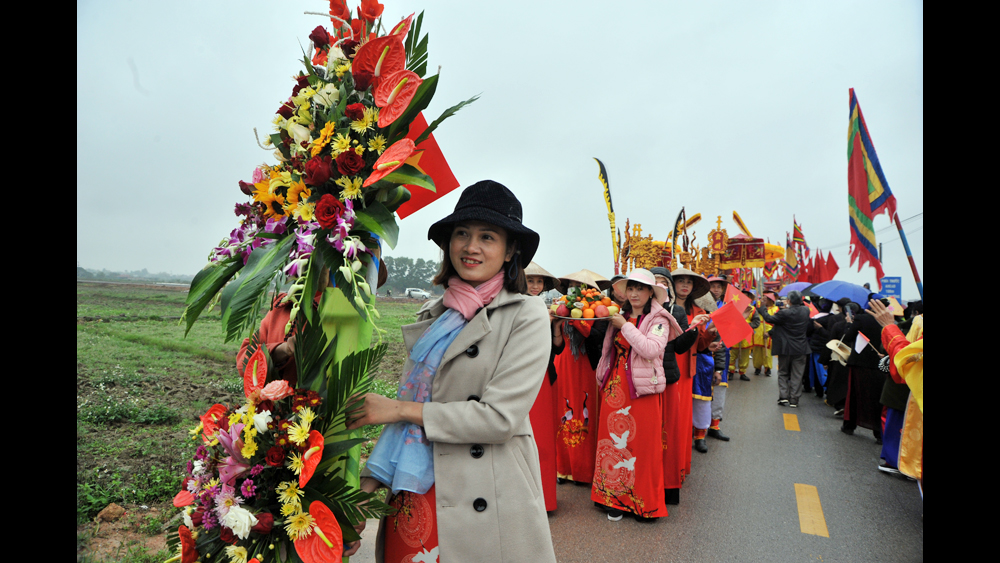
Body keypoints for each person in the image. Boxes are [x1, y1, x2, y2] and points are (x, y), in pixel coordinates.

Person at [347, 180, 557, 563]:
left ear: (511, 251)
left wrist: (395, 408)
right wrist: (365, 489)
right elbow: (409, 418)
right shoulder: (434, 314)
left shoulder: (526, 315)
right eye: (462, 233)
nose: (471, 247)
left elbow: (497, 419)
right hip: (414, 491)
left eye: (487, 237)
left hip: (485, 497)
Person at [590, 268, 681, 522]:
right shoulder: (618, 314)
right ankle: (614, 501)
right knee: (612, 444)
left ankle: (643, 503)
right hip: (615, 388)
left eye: (640, 288)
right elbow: (607, 349)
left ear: (651, 292)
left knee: (644, 447)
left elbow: (651, 349)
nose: (634, 293)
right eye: (630, 288)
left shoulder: (660, 320)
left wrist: (625, 327)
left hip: (643, 390)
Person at [650, 266, 699, 505]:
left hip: (668, 379)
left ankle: (668, 486)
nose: (660, 285)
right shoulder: (637, 310)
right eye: (654, 281)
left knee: (665, 436)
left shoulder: (676, 310)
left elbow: (679, 347)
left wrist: (693, 329)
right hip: (643, 383)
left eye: (663, 281)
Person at [552, 271, 606, 486]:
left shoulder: (600, 311)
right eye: (573, 284)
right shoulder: (561, 307)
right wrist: (557, 324)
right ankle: (563, 468)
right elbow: (556, 343)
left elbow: (597, 338)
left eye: (581, 285)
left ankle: (585, 469)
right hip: (564, 364)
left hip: (586, 367)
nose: (576, 288)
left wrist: (579, 320)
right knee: (562, 413)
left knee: (586, 413)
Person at [524, 261, 564, 512]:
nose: (536, 286)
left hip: (544, 379)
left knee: (544, 441)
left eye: (539, 282)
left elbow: (556, 348)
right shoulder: (513, 306)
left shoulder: (547, 309)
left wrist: (556, 328)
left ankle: (546, 500)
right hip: (522, 379)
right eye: (531, 281)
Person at [670, 268, 717, 465]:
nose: (685, 285)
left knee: (682, 412)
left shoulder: (700, 312)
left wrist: (711, 334)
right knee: (669, 411)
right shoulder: (665, 308)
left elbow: (700, 344)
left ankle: (679, 458)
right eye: (680, 281)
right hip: (668, 363)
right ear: (672, 285)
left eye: (688, 282)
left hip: (688, 366)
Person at [840, 294, 887, 443]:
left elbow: (848, 337)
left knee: (854, 394)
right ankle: (879, 433)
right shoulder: (890, 321)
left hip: (860, 364)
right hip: (880, 364)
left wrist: (849, 324)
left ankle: (849, 426)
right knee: (877, 398)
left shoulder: (861, 318)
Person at [759, 290, 811, 408]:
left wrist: (762, 308)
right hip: (801, 348)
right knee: (797, 374)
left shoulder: (784, 313)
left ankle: (783, 397)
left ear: (789, 301)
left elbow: (768, 318)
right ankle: (794, 399)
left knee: (783, 372)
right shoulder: (806, 311)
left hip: (785, 348)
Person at [752, 292, 778, 376]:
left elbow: (777, 324)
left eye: (765, 299)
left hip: (768, 334)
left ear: (770, 300)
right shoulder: (758, 308)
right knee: (757, 352)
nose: (763, 300)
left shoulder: (776, 309)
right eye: (762, 298)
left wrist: (770, 333)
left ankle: (767, 368)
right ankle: (757, 367)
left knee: (767, 353)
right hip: (758, 333)